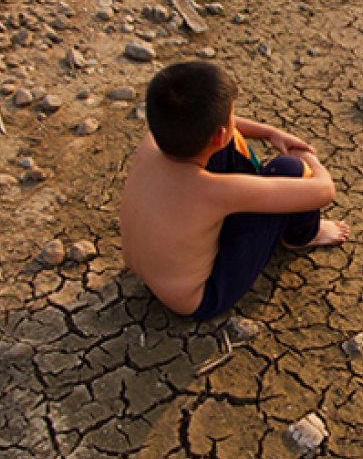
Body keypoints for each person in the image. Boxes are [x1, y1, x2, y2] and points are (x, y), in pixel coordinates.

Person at [120, 61, 349, 319]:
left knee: (226, 143)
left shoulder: (152, 142)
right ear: (219, 133)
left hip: (148, 271)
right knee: (290, 168)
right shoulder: (216, 192)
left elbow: (219, 126)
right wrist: (308, 157)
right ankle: (303, 235)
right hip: (201, 298)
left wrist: (270, 133)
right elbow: (324, 190)